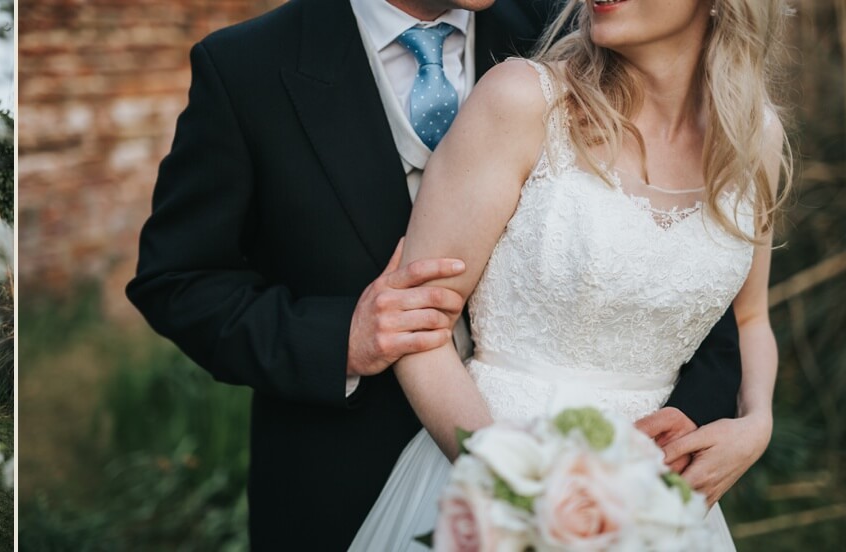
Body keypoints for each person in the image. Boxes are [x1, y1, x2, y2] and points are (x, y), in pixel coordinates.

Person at [127, 0, 749, 548]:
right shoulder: (247, 68)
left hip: (600, 498)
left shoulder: (567, 32)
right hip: (339, 486)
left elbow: (678, 262)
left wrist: (701, 426)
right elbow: (177, 279)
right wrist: (339, 338)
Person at [349, 0, 788, 548]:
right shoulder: (522, 101)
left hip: (650, 504)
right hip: (492, 474)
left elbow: (750, 318)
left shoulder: (754, 140)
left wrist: (756, 424)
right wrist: (513, 485)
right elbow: (419, 327)